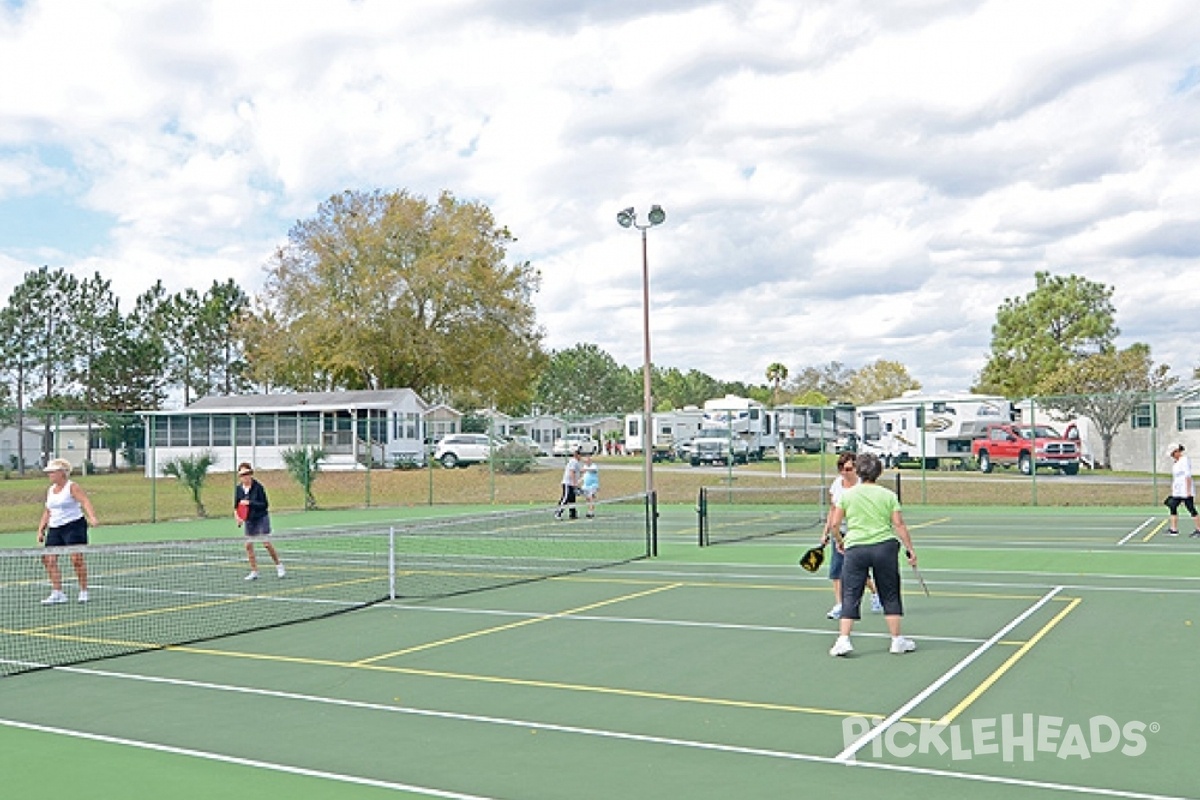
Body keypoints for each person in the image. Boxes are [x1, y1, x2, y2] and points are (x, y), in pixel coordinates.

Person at [826, 452, 918, 657]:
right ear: (879, 472)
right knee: (890, 593)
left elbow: (834, 524)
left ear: (858, 472)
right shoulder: (888, 495)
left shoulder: (847, 495)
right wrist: (910, 549)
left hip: (856, 548)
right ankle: (896, 641)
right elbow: (899, 524)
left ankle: (843, 640)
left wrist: (841, 543)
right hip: (884, 548)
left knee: (850, 594)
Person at [819, 452, 882, 619]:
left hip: (857, 534)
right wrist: (826, 532)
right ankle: (840, 605)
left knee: (859, 571)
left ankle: (876, 593)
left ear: (856, 469)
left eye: (848, 468)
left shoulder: (863, 486)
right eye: (841, 468)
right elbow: (832, 510)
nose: (844, 472)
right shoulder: (836, 485)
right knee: (837, 571)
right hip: (839, 533)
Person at [36, 457, 98, 604]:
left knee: (76, 559)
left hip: (74, 525)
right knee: (48, 559)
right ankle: (57, 592)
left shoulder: (72, 487)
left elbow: (85, 501)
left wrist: (92, 517)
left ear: (61, 473)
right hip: (55, 528)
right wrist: (41, 530)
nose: (49, 475)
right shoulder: (51, 490)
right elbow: (47, 511)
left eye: (52, 472)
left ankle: (83, 591)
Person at [235, 462, 285, 580]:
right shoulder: (238, 489)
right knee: (248, 545)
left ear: (251, 474)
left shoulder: (258, 487)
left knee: (266, 543)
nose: (245, 477)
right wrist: (238, 517)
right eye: (242, 474)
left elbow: (265, 505)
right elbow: (236, 506)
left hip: (261, 517)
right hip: (249, 520)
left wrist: (250, 503)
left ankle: (279, 565)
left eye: (247, 474)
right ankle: (254, 571)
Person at [1164, 443, 1200, 537]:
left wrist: (1188, 491)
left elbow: (1187, 476)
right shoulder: (1176, 462)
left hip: (1185, 490)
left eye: (1173, 454)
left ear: (1177, 451)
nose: (1172, 456)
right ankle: (1173, 529)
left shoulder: (1184, 460)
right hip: (1177, 491)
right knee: (1172, 505)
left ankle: (1199, 530)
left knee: (1191, 509)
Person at [554, 449, 583, 520]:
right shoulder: (573, 461)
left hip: (571, 484)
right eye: (579, 455)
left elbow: (579, 472)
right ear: (576, 455)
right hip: (568, 483)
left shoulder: (577, 462)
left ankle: (573, 514)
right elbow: (572, 472)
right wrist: (574, 484)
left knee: (572, 500)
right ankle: (558, 513)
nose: (581, 457)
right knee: (565, 498)